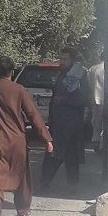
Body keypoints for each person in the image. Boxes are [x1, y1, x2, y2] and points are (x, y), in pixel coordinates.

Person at [0, 56, 52, 216]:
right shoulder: (19, 90)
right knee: (21, 175)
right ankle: (22, 210)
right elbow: (33, 114)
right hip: (17, 140)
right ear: (12, 72)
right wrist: (46, 138)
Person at [41, 47, 89, 189]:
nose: (61, 62)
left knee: (70, 158)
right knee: (53, 155)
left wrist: (63, 101)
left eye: (65, 59)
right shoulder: (62, 75)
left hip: (72, 125)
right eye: (60, 59)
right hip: (58, 124)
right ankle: (44, 183)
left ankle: (72, 186)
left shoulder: (79, 76)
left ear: (73, 60)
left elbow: (83, 99)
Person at [87, 61, 105, 151]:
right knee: (104, 123)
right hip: (105, 99)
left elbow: (89, 84)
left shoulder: (93, 68)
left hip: (94, 98)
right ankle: (101, 144)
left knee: (95, 121)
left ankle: (96, 140)